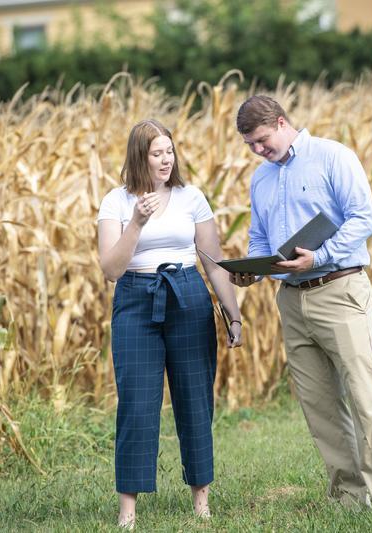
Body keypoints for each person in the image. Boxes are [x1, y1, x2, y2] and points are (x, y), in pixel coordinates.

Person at [230, 95, 372, 513]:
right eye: (249, 145)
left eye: (261, 140)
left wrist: (321, 256)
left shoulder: (332, 157)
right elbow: (260, 239)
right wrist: (252, 270)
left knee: (367, 397)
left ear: (280, 122)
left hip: (339, 291)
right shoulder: (261, 178)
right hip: (291, 302)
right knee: (320, 407)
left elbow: (365, 218)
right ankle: (351, 498)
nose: (258, 150)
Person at [97, 119, 243, 528]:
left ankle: (202, 502)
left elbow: (213, 263)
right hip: (135, 300)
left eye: (170, 152)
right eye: (156, 153)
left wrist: (234, 315)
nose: (166, 160)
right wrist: (137, 223)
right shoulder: (116, 202)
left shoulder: (190, 197)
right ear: (139, 156)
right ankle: (128, 512)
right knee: (137, 405)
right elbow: (110, 268)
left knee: (195, 400)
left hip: (187, 296)